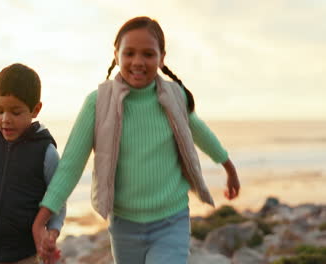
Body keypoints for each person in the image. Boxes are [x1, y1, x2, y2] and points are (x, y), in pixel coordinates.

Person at [33, 16, 240, 264]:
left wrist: (229, 167)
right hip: (124, 225)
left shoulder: (175, 97)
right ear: (116, 54)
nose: (138, 62)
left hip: (171, 220)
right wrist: (42, 219)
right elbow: (70, 166)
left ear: (162, 57)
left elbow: (200, 132)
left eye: (148, 54)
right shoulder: (97, 103)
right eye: (129, 53)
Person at [0, 63, 66, 264]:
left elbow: (58, 200)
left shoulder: (46, 153)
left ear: (35, 109)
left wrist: (52, 233)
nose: (5, 119)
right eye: (0, 110)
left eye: (16, 112)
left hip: (22, 254)